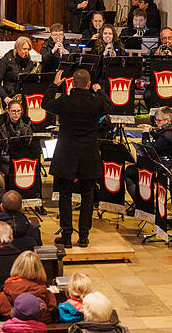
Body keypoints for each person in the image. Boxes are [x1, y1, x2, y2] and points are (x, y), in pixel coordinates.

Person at [42, 69, 112, 248]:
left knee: (65, 195)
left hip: (66, 153)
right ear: (88, 84)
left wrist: (55, 85)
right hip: (88, 154)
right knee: (87, 195)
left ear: (72, 83)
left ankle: (66, 236)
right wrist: (98, 90)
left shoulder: (65, 101)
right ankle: (84, 236)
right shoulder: (95, 102)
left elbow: (45, 103)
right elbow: (109, 105)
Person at [0, 251, 58, 323]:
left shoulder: (4, 295)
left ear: (16, 266)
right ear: (40, 269)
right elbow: (52, 314)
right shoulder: (47, 294)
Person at [0, 36, 37, 108]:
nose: (26, 52)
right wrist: (5, 97)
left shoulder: (30, 63)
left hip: (24, 98)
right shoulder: (5, 61)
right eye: (24, 49)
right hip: (9, 97)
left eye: (28, 49)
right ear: (17, 48)